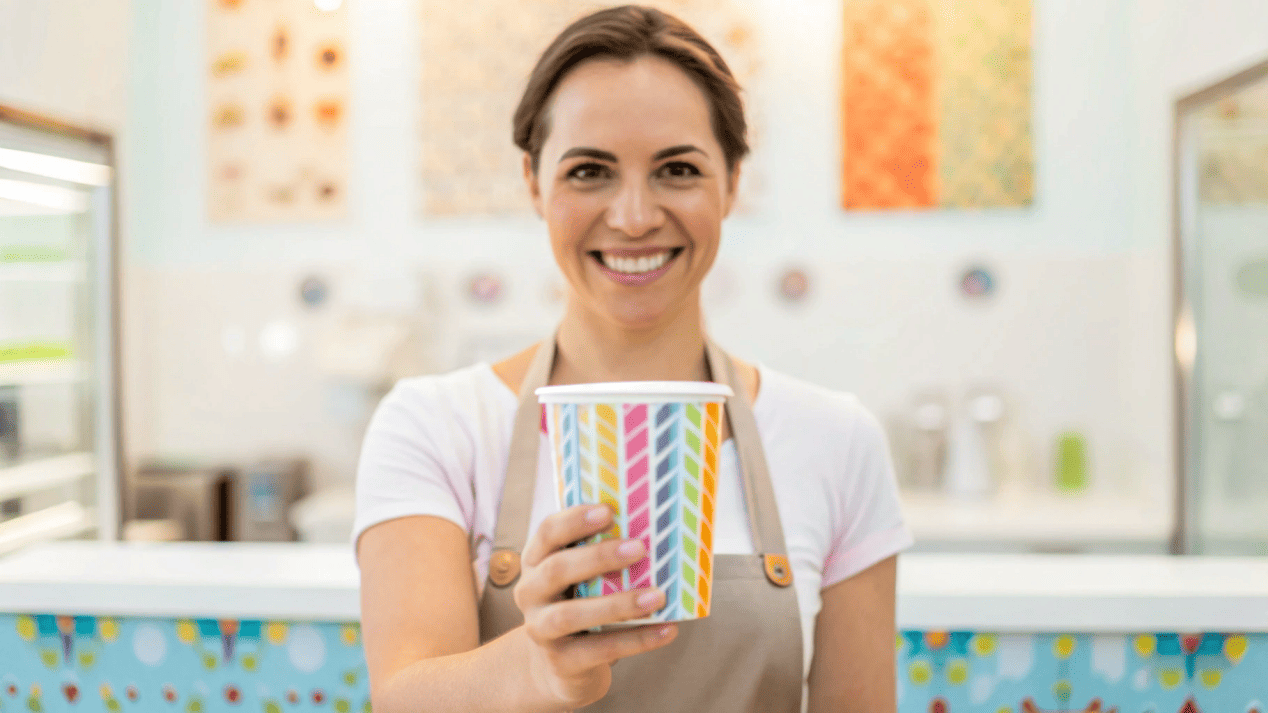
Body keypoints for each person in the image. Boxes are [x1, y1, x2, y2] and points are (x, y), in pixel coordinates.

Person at [354, 6, 912, 712]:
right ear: (533, 182)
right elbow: (403, 697)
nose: (634, 217)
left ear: (732, 182)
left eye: (677, 169)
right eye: (590, 171)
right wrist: (541, 668)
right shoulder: (436, 427)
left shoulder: (837, 439)